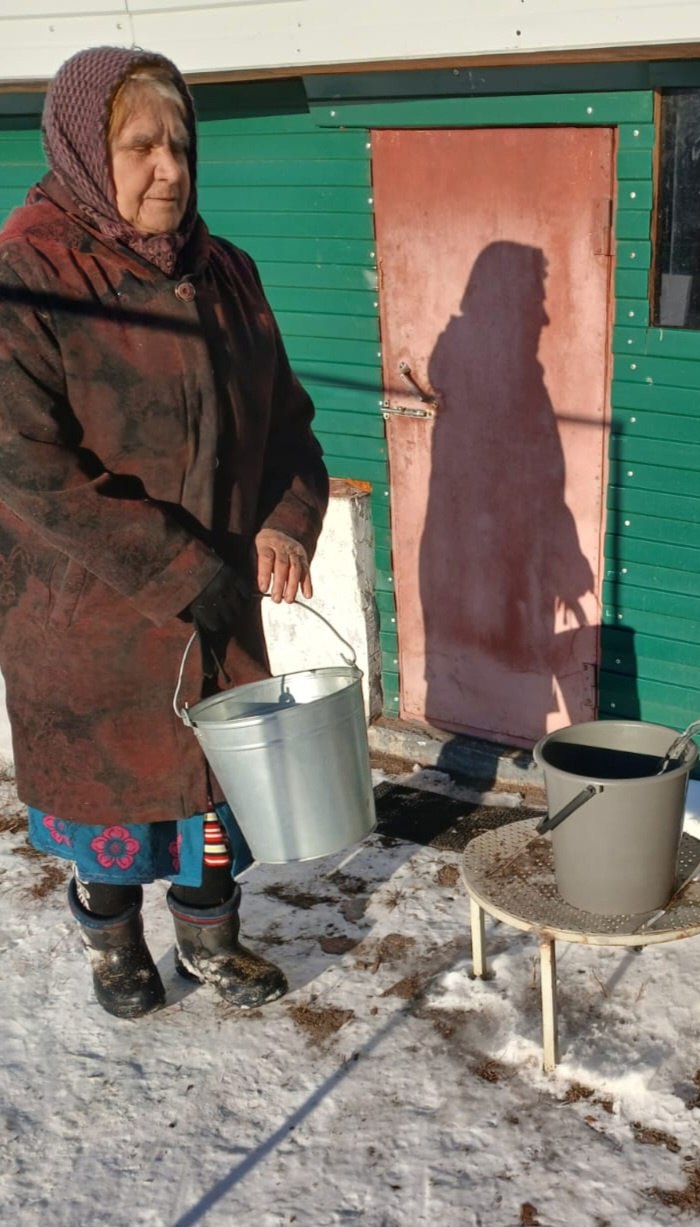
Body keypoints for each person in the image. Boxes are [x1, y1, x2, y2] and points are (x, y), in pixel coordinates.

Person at [0, 46, 329, 1019]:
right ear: (83, 151)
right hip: (87, 626)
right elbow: (25, 467)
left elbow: (289, 426)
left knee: (213, 815)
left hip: (216, 617)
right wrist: (175, 565)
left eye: (179, 143)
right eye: (139, 146)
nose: (169, 170)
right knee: (113, 830)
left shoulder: (226, 274)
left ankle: (211, 945)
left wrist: (286, 519)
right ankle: (113, 947)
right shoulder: (29, 278)